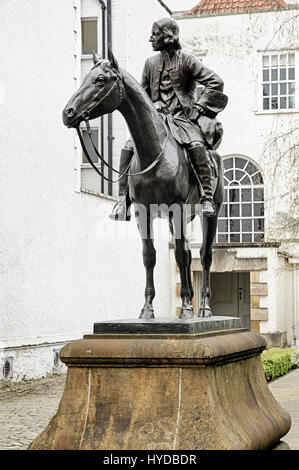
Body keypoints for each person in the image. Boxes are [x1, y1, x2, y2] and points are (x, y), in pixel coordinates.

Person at [109, 17, 228, 221]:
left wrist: (198, 108)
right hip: (156, 122)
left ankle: (206, 197)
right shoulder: (150, 63)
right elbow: (141, 95)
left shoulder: (188, 60)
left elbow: (216, 82)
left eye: (155, 34)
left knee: (196, 145)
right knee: (128, 147)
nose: (150, 39)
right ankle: (122, 200)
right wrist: (150, 107)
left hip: (182, 120)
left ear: (168, 37)